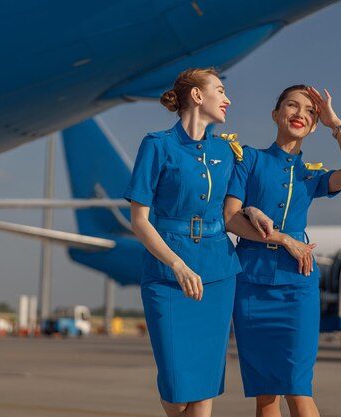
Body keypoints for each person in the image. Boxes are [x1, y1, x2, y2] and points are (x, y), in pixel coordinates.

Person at [124, 68, 266, 417]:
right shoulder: (157, 145)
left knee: (204, 389)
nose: (228, 99)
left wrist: (252, 208)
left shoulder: (228, 151)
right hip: (167, 274)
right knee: (175, 391)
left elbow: (233, 207)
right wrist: (177, 264)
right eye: (220, 90)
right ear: (197, 96)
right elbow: (139, 221)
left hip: (218, 271)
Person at [223, 85, 341, 417]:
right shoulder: (249, 159)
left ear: (315, 124)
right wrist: (283, 239)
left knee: (298, 388)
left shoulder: (311, 175)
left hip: (297, 285)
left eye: (309, 111)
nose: (300, 114)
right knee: (266, 394)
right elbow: (231, 219)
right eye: (292, 105)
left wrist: (335, 123)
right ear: (276, 114)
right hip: (251, 286)